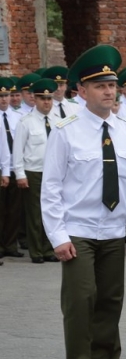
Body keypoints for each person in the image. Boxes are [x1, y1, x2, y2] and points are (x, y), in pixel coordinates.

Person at [41, 44, 126, 359]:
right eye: (100, 86)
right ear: (81, 92)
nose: (110, 91)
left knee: (109, 301)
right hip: (78, 230)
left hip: (113, 231)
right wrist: (57, 235)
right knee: (80, 302)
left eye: (113, 85)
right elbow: (52, 187)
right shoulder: (66, 130)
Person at [12, 78, 60, 263]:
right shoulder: (26, 122)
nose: (46, 102)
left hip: (54, 172)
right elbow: (18, 150)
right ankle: (37, 252)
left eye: (49, 99)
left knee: (52, 212)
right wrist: (20, 174)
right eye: (42, 99)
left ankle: (49, 249)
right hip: (34, 172)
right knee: (35, 214)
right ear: (34, 99)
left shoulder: (58, 121)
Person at [0, 78, 24, 261]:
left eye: (6, 95)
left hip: (15, 167)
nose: (4, 100)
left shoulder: (18, 118)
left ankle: (10, 244)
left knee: (14, 210)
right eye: (1, 96)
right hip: (2, 169)